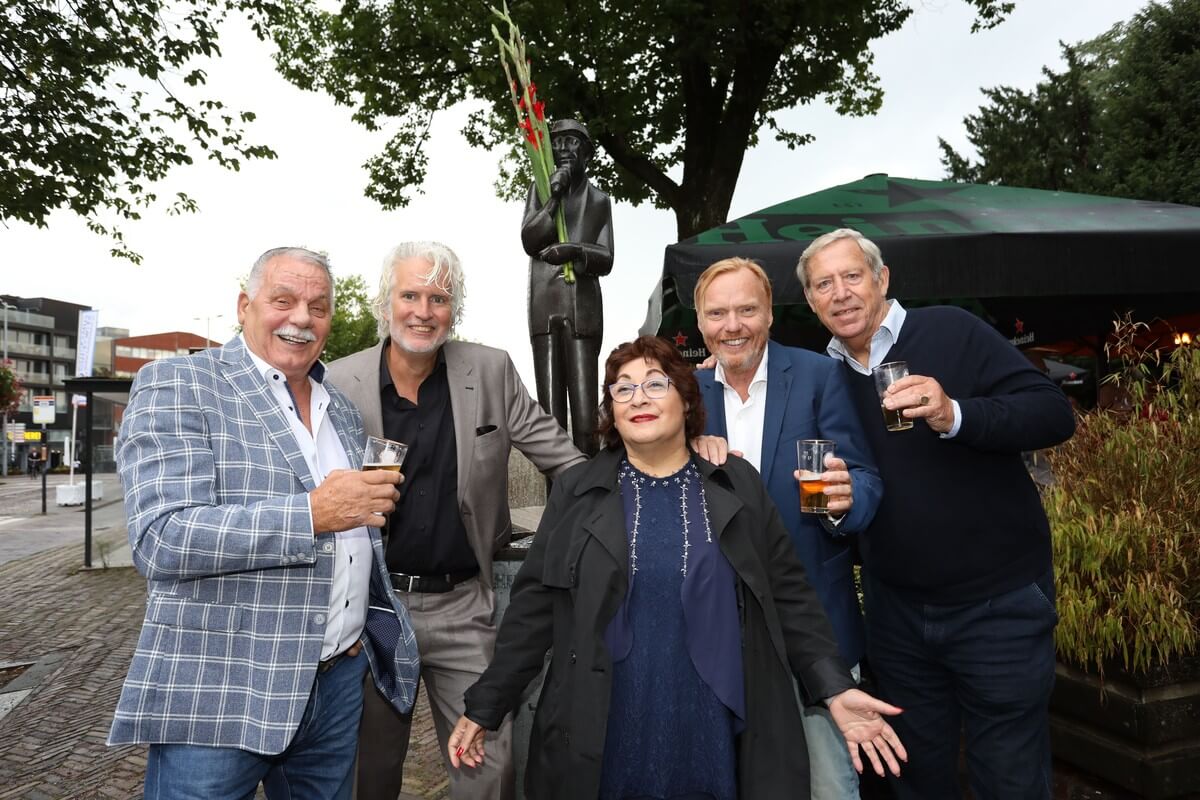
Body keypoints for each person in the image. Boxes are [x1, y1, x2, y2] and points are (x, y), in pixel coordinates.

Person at [446, 334, 907, 800]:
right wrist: (485, 705)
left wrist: (833, 686)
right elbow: (533, 611)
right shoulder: (577, 492)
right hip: (608, 721)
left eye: (654, 383)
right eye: (622, 388)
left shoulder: (737, 483)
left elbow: (790, 598)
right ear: (611, 409)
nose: (638, 398)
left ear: (686, 401)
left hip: (713, 722)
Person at [108, 247, 420, 799]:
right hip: (224, 686)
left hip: (337, 680)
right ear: (244, 306)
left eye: (318, 307)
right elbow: (161, 538)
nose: (302, 318)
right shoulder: (180, 383)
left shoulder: (340, 410)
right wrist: (313, 514)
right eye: (284, 301)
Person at [797, 228, 1076, 799]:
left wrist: (956, 414)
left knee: (1010, 778)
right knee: (915, 778)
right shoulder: (820, 378)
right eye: (824, 284)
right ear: (810, 301)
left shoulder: (949, 329)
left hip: (997, 602)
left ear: (882, 279)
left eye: (852, 276)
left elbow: (1053, 414)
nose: (841, 293)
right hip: (896, 614)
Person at [327, 241, 586, 800]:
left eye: (439, 298)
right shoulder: (336, 382)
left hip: (464, 606)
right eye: (411, 295)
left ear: (454, 309)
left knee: (488, 769)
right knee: (366, 775)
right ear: (385, 302)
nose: (424, 310)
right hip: (371, 609)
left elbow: (566, 462)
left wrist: (659, 480)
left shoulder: (489, 369)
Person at [693, 256, 882, 798]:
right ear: (702, 324)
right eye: (718, 313)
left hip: (817, 622)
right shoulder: (688, 396)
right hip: (721, 633)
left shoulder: (821, 376)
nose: (733, 325)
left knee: (829, 784)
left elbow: (866, 477)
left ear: (770, 313)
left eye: (747, 309)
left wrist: (847, 500)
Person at [520, 119, 614, 457]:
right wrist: (553, 197)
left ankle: (590, 498)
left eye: (573, 143)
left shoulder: (600, 200)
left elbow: (606, 258)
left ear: (587, 153)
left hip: (583, 311)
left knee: (586, 415)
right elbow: (531, 239)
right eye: (557, 143)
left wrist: (574, 250)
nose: (564, 150)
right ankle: (557, 501)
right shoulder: (540, 191)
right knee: (550, 418)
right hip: (544, 310)